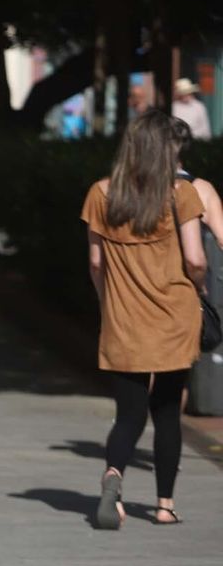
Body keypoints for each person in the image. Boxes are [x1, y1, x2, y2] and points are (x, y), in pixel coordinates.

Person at [84, 110, 207, 529]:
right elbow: (195, 259)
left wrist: (107, 304)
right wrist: (200, 285)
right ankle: (164, 505)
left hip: (123, 319)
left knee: (129, 414)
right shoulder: (181, 194)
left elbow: (97, 264)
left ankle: (113, 479)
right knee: (168, 411)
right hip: (174, 315)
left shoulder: (100, 194)